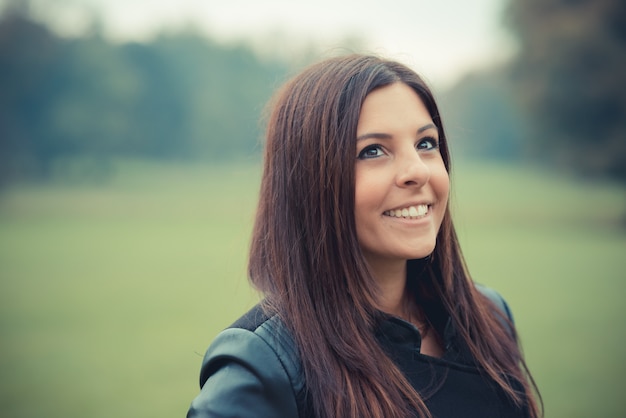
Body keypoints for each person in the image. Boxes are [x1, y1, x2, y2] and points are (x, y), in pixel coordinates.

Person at [186, 54, 542, 418]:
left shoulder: (489, 316)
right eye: (373, 151)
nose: (416, 171)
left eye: (425, 144)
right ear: (310, 182)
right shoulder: (266, 366)